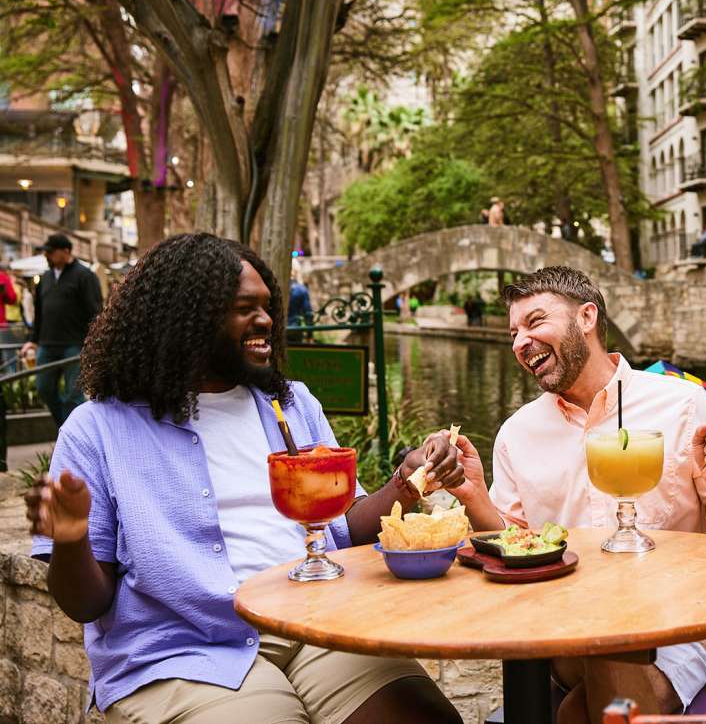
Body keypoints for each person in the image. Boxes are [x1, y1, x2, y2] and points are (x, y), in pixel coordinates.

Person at [25, 233, 464, 724]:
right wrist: (70, 537)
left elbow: (343, 527)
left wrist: (406, 481)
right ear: (185, 320)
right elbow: (86, 603)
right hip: (182, 652)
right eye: (244, 308)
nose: (266, 320)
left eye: (268, 306)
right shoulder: (98, 428)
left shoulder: (293, 404)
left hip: (317, 624)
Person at [443, 266, 706, 724]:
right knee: (597, 640)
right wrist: (473, 494)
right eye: (513, 332)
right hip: (563, 633)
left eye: (535, 322)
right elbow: (513, 549)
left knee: (582, 710)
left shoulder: (679, 404)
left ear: (587, 317)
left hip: (675, 629)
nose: (519, 342)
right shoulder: (518, 432)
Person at [20, 233, 102, 427]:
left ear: (66, 252)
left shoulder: (85, 276)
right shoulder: (46, 278)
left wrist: (93, 343)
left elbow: (95, 311)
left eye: (50, 252)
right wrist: (33, 339)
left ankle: (76, 434)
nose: (47, 255)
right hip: (47, 345)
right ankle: (66, 429)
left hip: (74, 345)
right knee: (44, 388)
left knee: (73, 395)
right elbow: (39, 313)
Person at [287, 277, 313, 343]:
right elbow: (308, 314)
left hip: (278, 329)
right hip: (294, 328)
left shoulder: (276, 286)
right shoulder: (302, 290)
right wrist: (310, 335)